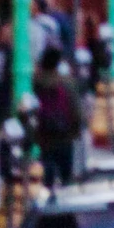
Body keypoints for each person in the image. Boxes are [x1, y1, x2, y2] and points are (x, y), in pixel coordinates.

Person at [33, 45, 81, 186]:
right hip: (65, 136)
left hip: (45, 137)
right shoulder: (67, 83)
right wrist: (75, 131)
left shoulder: (36, 83)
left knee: (46, 175)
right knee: (66, 177)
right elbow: (76, 110)